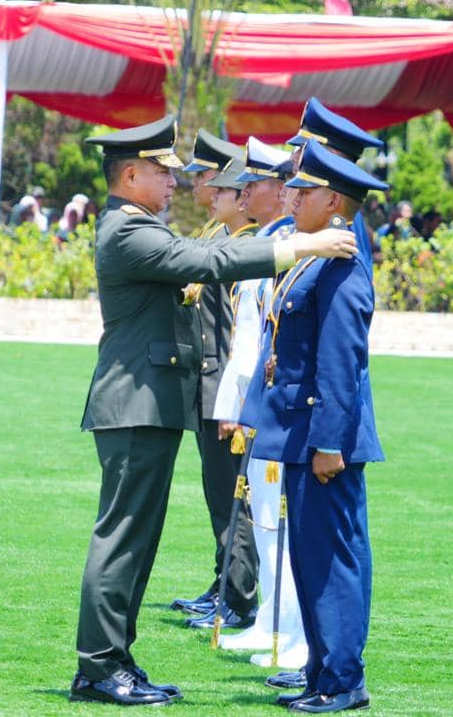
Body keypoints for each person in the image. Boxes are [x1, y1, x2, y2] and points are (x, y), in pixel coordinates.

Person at [71, 115, 358, 707]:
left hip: (148, 405)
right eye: (160, 170)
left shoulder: (141, 226)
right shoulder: (128, 231)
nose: (174, 180)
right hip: (134, 405)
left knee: (138, 539)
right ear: (129, 175)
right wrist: (303, 242)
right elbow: (210, 263)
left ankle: (116, 660)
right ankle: (99, 667)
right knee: (122, 538)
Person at [240, 138, 386, 713]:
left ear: (334, 203)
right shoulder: (314, 255)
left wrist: (329, 441)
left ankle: (344, 680)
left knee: (333, 559)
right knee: (310, 556)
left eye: (303, 190)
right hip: (301, 433)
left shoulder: (342, 261)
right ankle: (321, 670)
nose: (291, 197)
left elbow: (341, 359)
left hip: (325, 439)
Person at [217, 151, 308, 670]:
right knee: (268, 523)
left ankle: (290, 634)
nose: (247, 192)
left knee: (281, 525)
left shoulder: (284, 246)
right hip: (260, 405)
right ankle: (271, 624)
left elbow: (261, 344)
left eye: (259, 182)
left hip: (275, 407)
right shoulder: (267, 244)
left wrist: (240, 405)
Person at [169, 129, 260, 632]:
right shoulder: (218, 237)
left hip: (222, 393)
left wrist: (231, 398)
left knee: (233, 499)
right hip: (208, 389)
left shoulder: (243, 247)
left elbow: (235, 335)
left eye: (219, 186)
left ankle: (238, 595)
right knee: (219, 496)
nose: (209, 191)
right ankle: (224, 582)